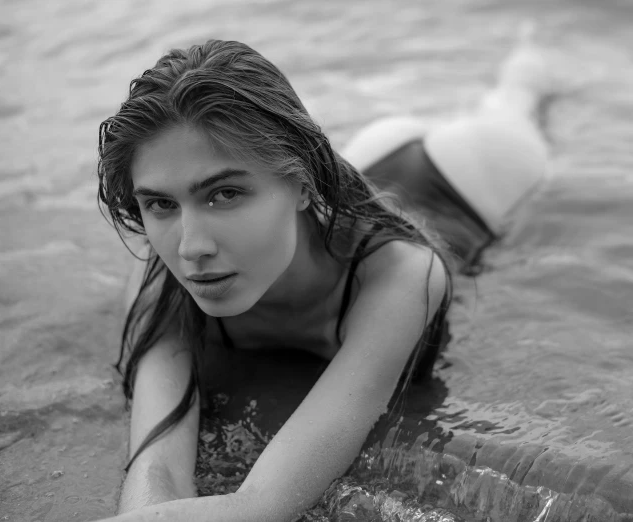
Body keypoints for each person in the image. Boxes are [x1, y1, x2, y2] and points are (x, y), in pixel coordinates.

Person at [94, 29, 550, 522]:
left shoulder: (402, 278)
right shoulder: (163, 281)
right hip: (355, 179)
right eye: (161, 204)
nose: (191, 248)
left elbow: (264, 505)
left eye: (223, 194)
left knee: (516, 102)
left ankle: (530, 68)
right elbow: (155, 473)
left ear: (304, 184)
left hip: (472, 180)